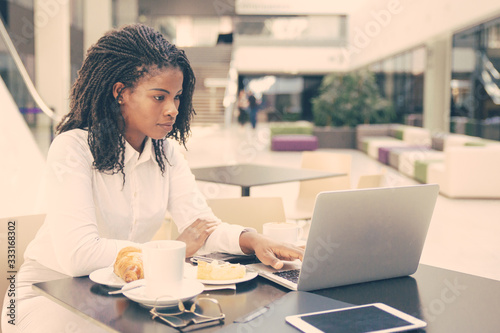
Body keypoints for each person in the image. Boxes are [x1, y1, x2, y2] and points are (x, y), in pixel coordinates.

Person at [1, 24, 303, 333]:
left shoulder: (165, 153)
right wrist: (170, 251)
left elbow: (199, 227)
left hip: (124, 292)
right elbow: (78, 255)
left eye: (177, 97)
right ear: (121, 92)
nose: (173, 109)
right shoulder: (73, 148)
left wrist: (251, 239)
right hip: (49, 293)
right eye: (159, 97)